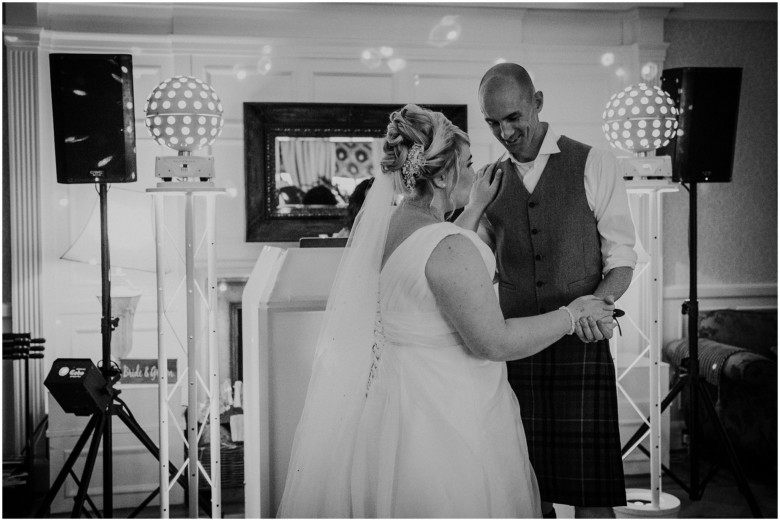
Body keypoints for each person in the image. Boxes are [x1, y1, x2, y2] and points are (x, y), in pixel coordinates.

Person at [277, 103, 616, 518]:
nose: (476, 174)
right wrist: (572, 313)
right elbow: (494, 341)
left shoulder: (391, 226)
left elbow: (433, 264)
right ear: (440, 174)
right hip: (450, 417)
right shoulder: (450, 246)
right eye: (468, 164)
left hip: (396, 409)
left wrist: (474, 207)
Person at [476, 62, 637, 518]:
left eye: (512, 117)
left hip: (579, 347)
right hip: (516, 348)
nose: (504, 132)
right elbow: (475, 263)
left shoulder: (594, 161)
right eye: (492, 122)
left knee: (592, 497)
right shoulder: (487, 180)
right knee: (526, 491)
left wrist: (598, 308)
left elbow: (622, 257)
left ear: (538, 102)